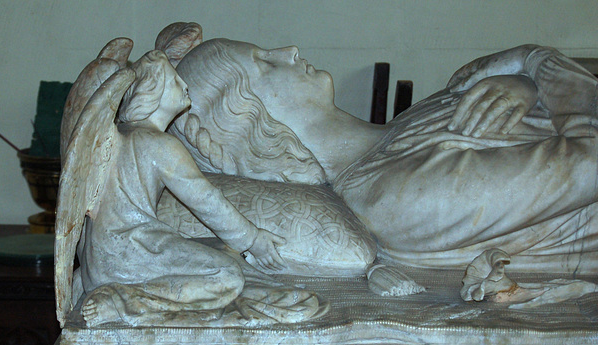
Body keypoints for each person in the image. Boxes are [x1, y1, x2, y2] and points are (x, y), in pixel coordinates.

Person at [165, 37, 598, 275]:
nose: (290, 51)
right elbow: (590, 160)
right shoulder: (394, 196)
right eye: (264, 63)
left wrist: (528, 83)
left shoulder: (414, 118)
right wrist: (535, 62)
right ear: (253, 123)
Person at [71, 50, 290, 327]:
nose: (185, 86)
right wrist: (253, 240)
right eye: (175, 81)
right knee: (227, 277)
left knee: (213, 250)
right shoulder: (158, 145)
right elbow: (206, 200)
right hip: (126, 257)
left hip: (96, 261)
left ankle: (94, 287)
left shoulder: (116, 137)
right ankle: (125, 301)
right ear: (155, 91)